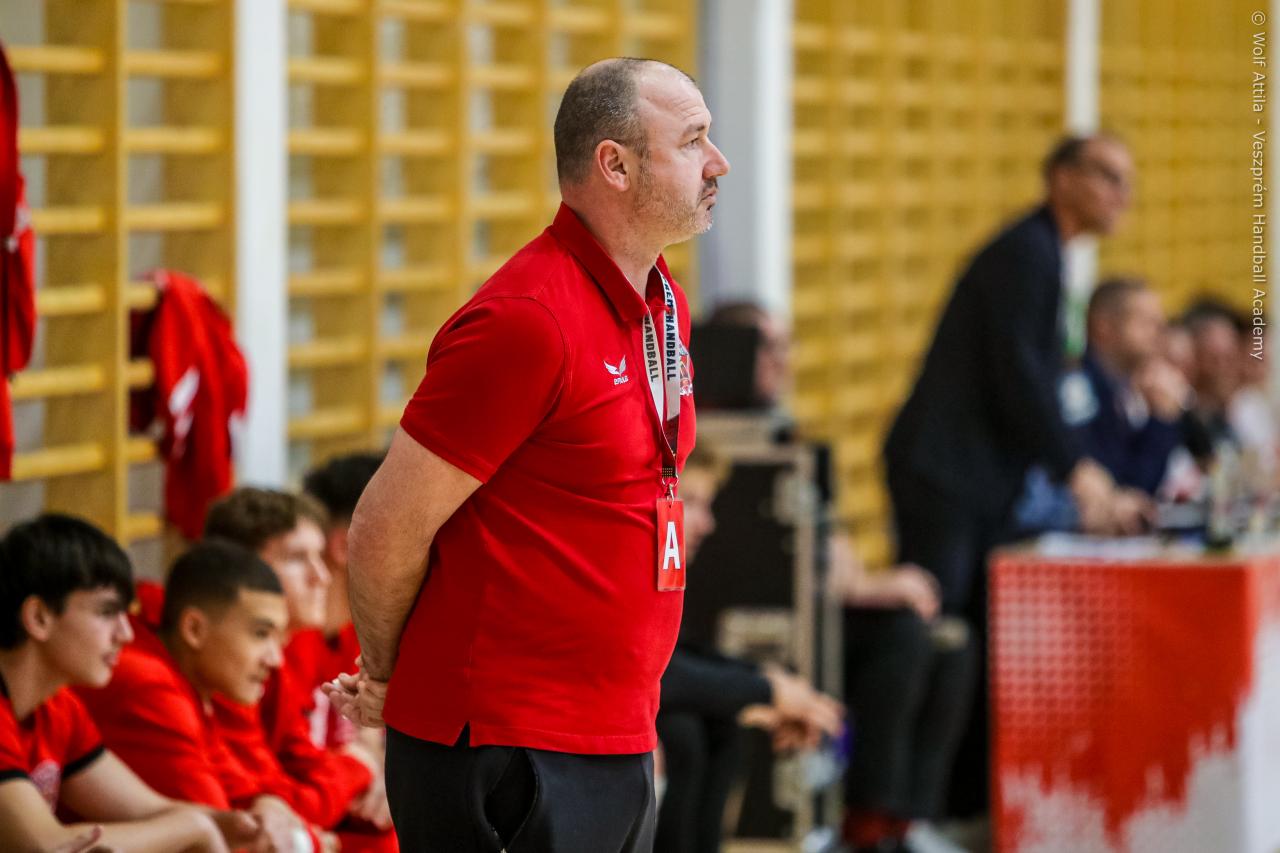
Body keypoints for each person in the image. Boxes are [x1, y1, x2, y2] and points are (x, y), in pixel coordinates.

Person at [325, 57, 730, 851]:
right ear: (614, 164)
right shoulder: (527, 320)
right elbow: (384, 526)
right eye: (692, 141)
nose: (717, 162)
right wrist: (389, 671)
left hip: (614, 729)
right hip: (506, 742)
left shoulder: (664, 303)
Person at [883, 134, 1135, 817]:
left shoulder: (1048, 253)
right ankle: (899, 812)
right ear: (1061, 177)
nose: (1123, 195)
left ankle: (957, 804)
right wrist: (1078, 471)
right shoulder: (1025, 253)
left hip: (978, 480)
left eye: (1127, 181)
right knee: (936, 640)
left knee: (973, 641)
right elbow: (1019, 379)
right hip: (944, 476)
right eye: (1108, 176)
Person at [0, 515, 261, 853]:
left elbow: (150, 809)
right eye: (106, 612)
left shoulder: (59, 706)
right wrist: (195, 827)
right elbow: (48, 847)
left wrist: (239, 822)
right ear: (38, 617)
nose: (125, 634)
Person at [655, 441, 844, 853]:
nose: (707, 524)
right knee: (682, 733)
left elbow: (675, 653)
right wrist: (766, 691)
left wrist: (761, 685)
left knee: (718, 722)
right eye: (694, 502)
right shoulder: (634, 558)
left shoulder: (667, 566)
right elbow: (655, 671)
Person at [77, 538, 318, 852]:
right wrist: (315, 838)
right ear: (194, 629)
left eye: (278, 638)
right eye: (261, 634)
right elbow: (228, 839)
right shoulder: (149, 686)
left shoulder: (195, 680)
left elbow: (247, 795)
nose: (276, 660)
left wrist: (273, 806)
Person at [203, 488, 393, 850]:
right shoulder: (224, 663)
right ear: (245, 571)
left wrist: (366, 765)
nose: (321, 576)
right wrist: (361, 765)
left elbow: (302, 764)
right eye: (296, 558)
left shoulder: (276, 662)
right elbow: (272, 806)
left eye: (318, 557)